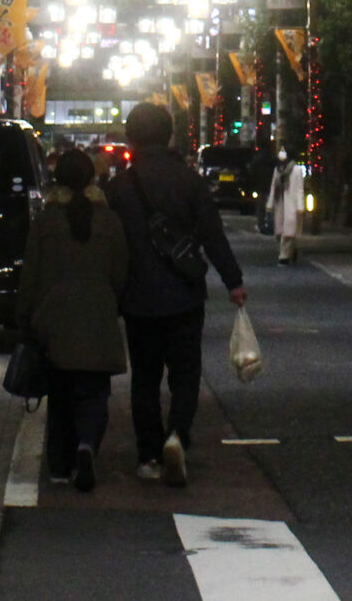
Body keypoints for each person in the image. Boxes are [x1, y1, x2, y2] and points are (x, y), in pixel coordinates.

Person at [105, 101, 246, 486]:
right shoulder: (189, 181)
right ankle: (177, 435)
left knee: (145, 378)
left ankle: (148, 455)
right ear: (169, 135)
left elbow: (109, 246)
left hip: (138, 299)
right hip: (184, 295)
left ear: (131, 137)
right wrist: (233, 281)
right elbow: (213, 236)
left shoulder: (119, 188)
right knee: (185, 373)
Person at [15, 148, 127, 493]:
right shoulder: (109, 221)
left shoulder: (46, 222)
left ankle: (60, 467)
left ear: (57, 179)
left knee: (60, 398)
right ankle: (87, 446)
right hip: (99, 320)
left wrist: (24, 320)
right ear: (93, 178)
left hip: (55, 325)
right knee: (94, 394)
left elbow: (30, 277)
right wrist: (112, 305)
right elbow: (121, 275)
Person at [271, 147, 310, 264]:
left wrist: (300, 206)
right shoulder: (277, 169)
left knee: (289, 231)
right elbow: (273, 187)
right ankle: (291, 250)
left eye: (283, 151)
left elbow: (299, 189)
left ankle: (284, 256)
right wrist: (270, 204)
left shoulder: (297, 170)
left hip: (291, 204)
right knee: (279, 232)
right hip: (280, 203)